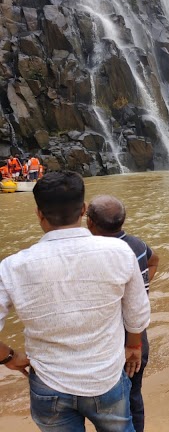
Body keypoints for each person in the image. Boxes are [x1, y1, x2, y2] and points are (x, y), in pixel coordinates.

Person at [0, 171, 150, 431]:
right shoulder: (118, 252)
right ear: (83, 210)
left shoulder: (13, 266)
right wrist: (134, 345)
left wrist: (8, 357)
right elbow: (136, 311)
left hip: (49, 382)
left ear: (39, 213)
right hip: (106, 377)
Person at [86, 195, 160, 432]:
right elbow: (154, 259)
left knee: (108, 399)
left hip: (112, 334)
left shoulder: (94, 252)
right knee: (133, 393)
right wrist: (142, 287)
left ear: (90, 224)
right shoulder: (137, 244)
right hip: (138, 334)